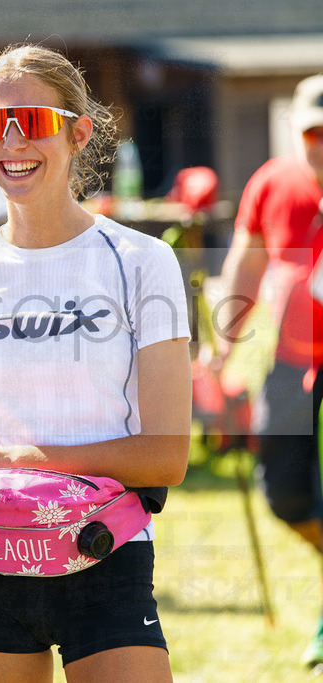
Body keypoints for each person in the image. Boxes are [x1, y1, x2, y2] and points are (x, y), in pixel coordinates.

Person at [0, 44, 192, 682]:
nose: (10, 143)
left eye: (29, 121)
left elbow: (166, 455)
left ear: (77, 131)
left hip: (105, 553)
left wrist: (16, 458)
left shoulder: (142, 263)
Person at [213, 73, 323, 666]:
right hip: (287, 366)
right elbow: (245, 268)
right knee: (283, 497)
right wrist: (222, 348)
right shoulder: (273, 183)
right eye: (315, 133)